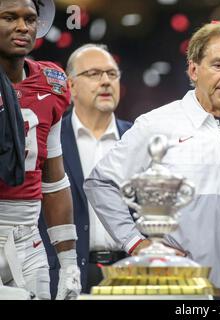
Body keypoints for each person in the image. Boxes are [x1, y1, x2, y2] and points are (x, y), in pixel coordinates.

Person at [84, 21, 220, 299]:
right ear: (194, 69)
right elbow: (101, 183)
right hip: (175, 291)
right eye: (219, 65)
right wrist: (136, 243)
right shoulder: (156, 124)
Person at [38, 44, 133, 297]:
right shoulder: (49, 140)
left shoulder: (138, 138)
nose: (105, 81)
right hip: (65, 275)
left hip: (130, 274)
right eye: (93, 74)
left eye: (112, 74)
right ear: (70, 86)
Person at [0, 0, 80, 299]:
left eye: (30, 19)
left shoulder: (51, 82)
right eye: (9, 17)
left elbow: (54, 180)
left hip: (28, 240)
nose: (22, 27)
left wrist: (69, 264)